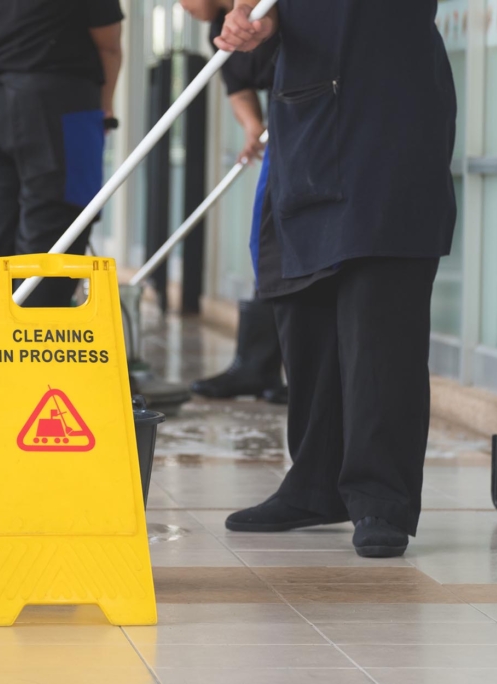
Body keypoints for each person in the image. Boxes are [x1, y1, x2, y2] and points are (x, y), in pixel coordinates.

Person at [216, 1, 457, 558]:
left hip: (391, 110)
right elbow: (264, 8)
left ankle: (379, 498)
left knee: (380, 314)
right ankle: (315, 484)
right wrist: (249, 22)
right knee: (303, 304)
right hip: (308, 109)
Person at [0, 0, 124, 342]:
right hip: (60, 106)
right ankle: (32, 371)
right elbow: (109, 44)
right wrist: (105, 106)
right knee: (50, 247)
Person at [181, 0, 287, 405]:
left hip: (311, 120)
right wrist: (253, 127)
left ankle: (287, 368)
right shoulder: (218, 32)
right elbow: (238, 87)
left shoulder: (271, 9)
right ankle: (259, 364)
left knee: (277, 239)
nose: (181, 7)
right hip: (282, 126)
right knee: (268, 244)